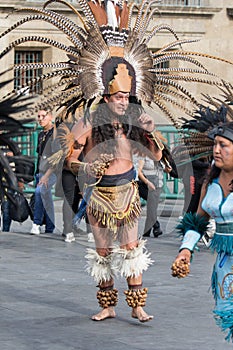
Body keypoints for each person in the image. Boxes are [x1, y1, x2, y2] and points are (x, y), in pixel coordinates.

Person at [66, 62, 163, 322]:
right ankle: (108, 306)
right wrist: (88, 165)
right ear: (106, 97)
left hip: (127, 193)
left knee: (131, 249)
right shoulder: (86, 123)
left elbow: (156, 155)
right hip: (98, 195)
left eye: (126, 97)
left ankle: (137, 306)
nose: (123, 102)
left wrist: (151, 131)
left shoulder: (134, 124)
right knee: (103, 252)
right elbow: (69, 160)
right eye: (118, 97)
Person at [171, 118, 233, 342]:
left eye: (223, 145)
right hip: (225, 262)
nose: (216, 150)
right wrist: (186, 250)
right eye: (215, 144)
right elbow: (198, 221)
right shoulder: (210, 182)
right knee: (229, 314)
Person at [30, 109, 56, 235]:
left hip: (52, 172)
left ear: (50, 116)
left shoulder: (56, 133)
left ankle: (36, 223)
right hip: (40, 171)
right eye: (38, 116)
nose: (40, 119)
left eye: (43, 116)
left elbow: (57, 159)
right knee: (46, 197)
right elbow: (39, 156)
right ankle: (50, 227)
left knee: (39, 191)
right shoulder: (41, 134)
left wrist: (46, 176)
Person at [138, 157, 164, 238]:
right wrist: (147, 182)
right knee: (152, 204)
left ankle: (147, 231)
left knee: (152, 206)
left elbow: (166, 169)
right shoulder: (144, 155)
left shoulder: (161, 155)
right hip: (145, 184)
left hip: (158, 184)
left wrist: (168, 168)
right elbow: (138, 171)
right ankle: (156, 225)